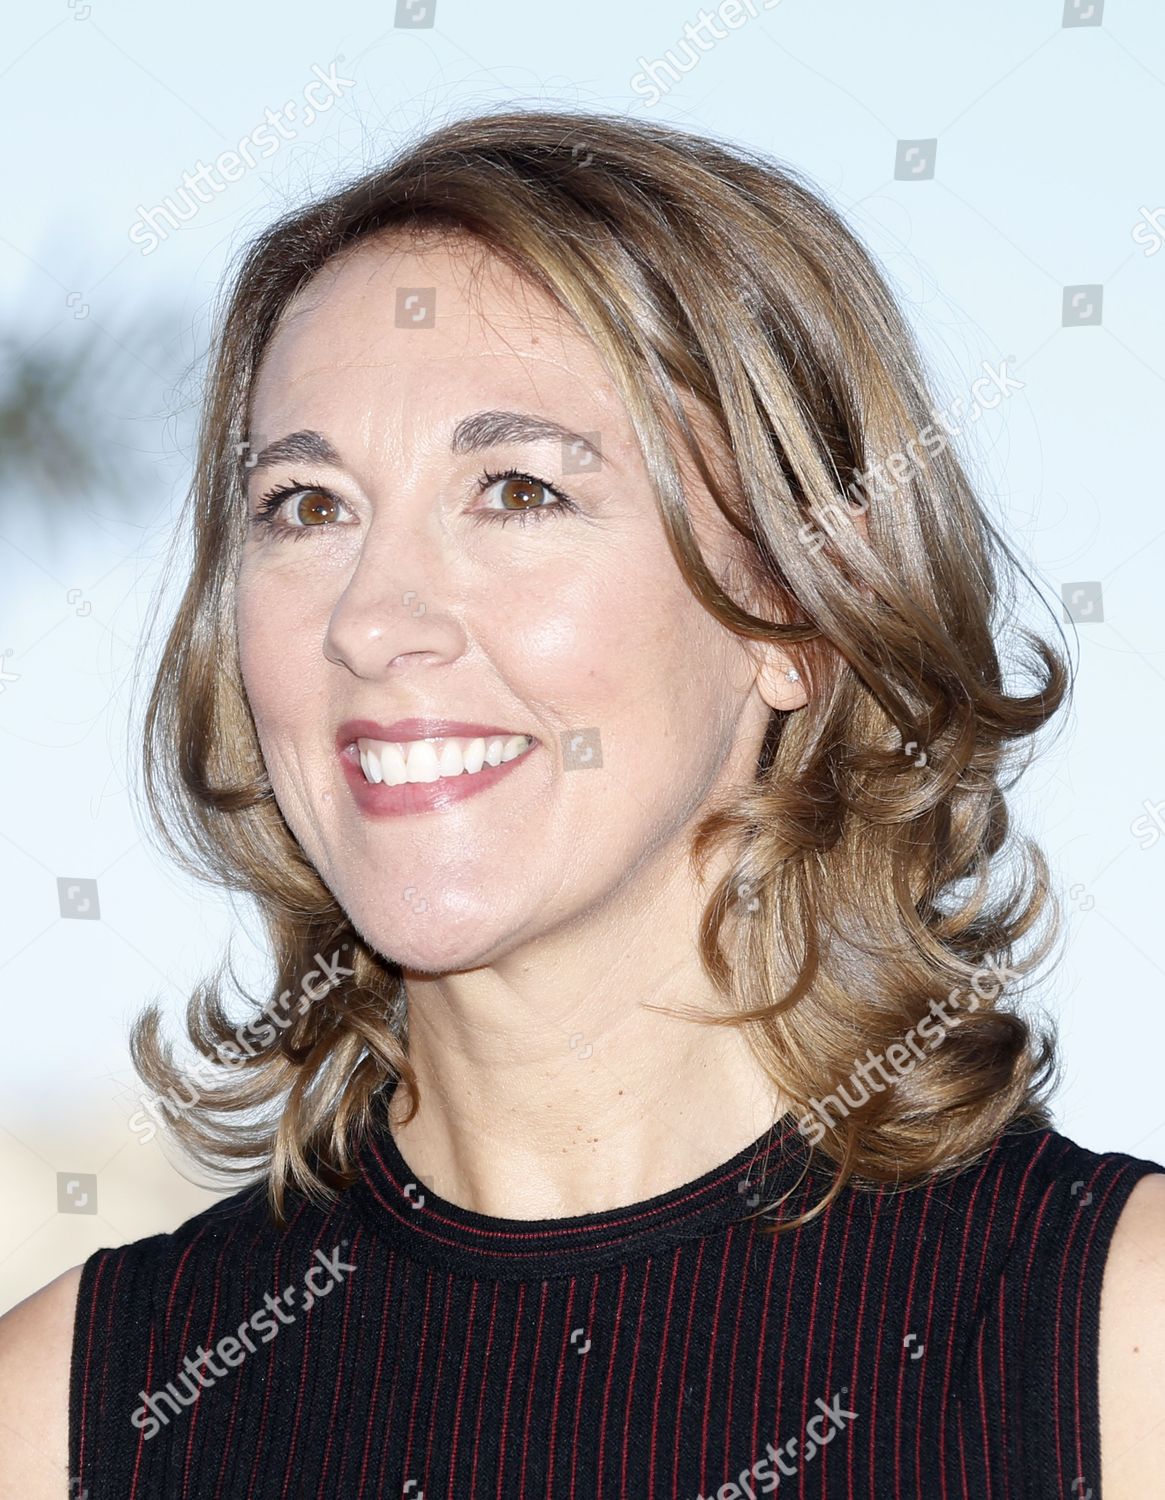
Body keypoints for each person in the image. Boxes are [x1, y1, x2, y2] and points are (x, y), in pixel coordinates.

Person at [1, 106, 1162, 1499]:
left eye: (516, 490)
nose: (374, 620)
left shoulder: (1110, 1346)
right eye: (306, 506)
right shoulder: (70, 1413)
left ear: (796, 612)